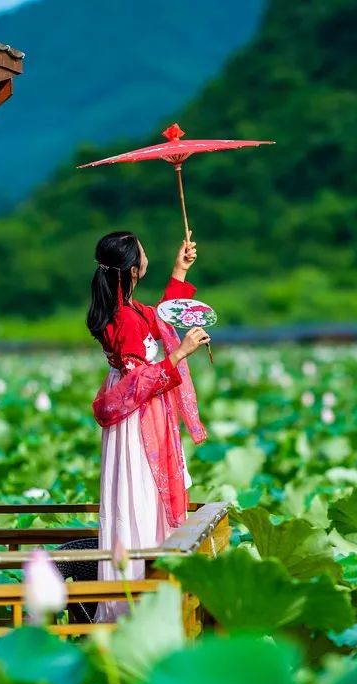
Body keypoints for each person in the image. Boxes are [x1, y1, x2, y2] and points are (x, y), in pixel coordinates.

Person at [85, 231, 210, 622]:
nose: (146, 253)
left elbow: (162, 321)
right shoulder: (124, 317)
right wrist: (180, 353)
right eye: (142, 250)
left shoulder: (130, 310)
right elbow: (138, 380)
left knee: (144, 500)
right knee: (141, 499)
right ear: (133, 267)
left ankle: (149, 598)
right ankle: (141, 606)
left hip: (141, 412)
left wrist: (180, 270)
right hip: (137, 418)